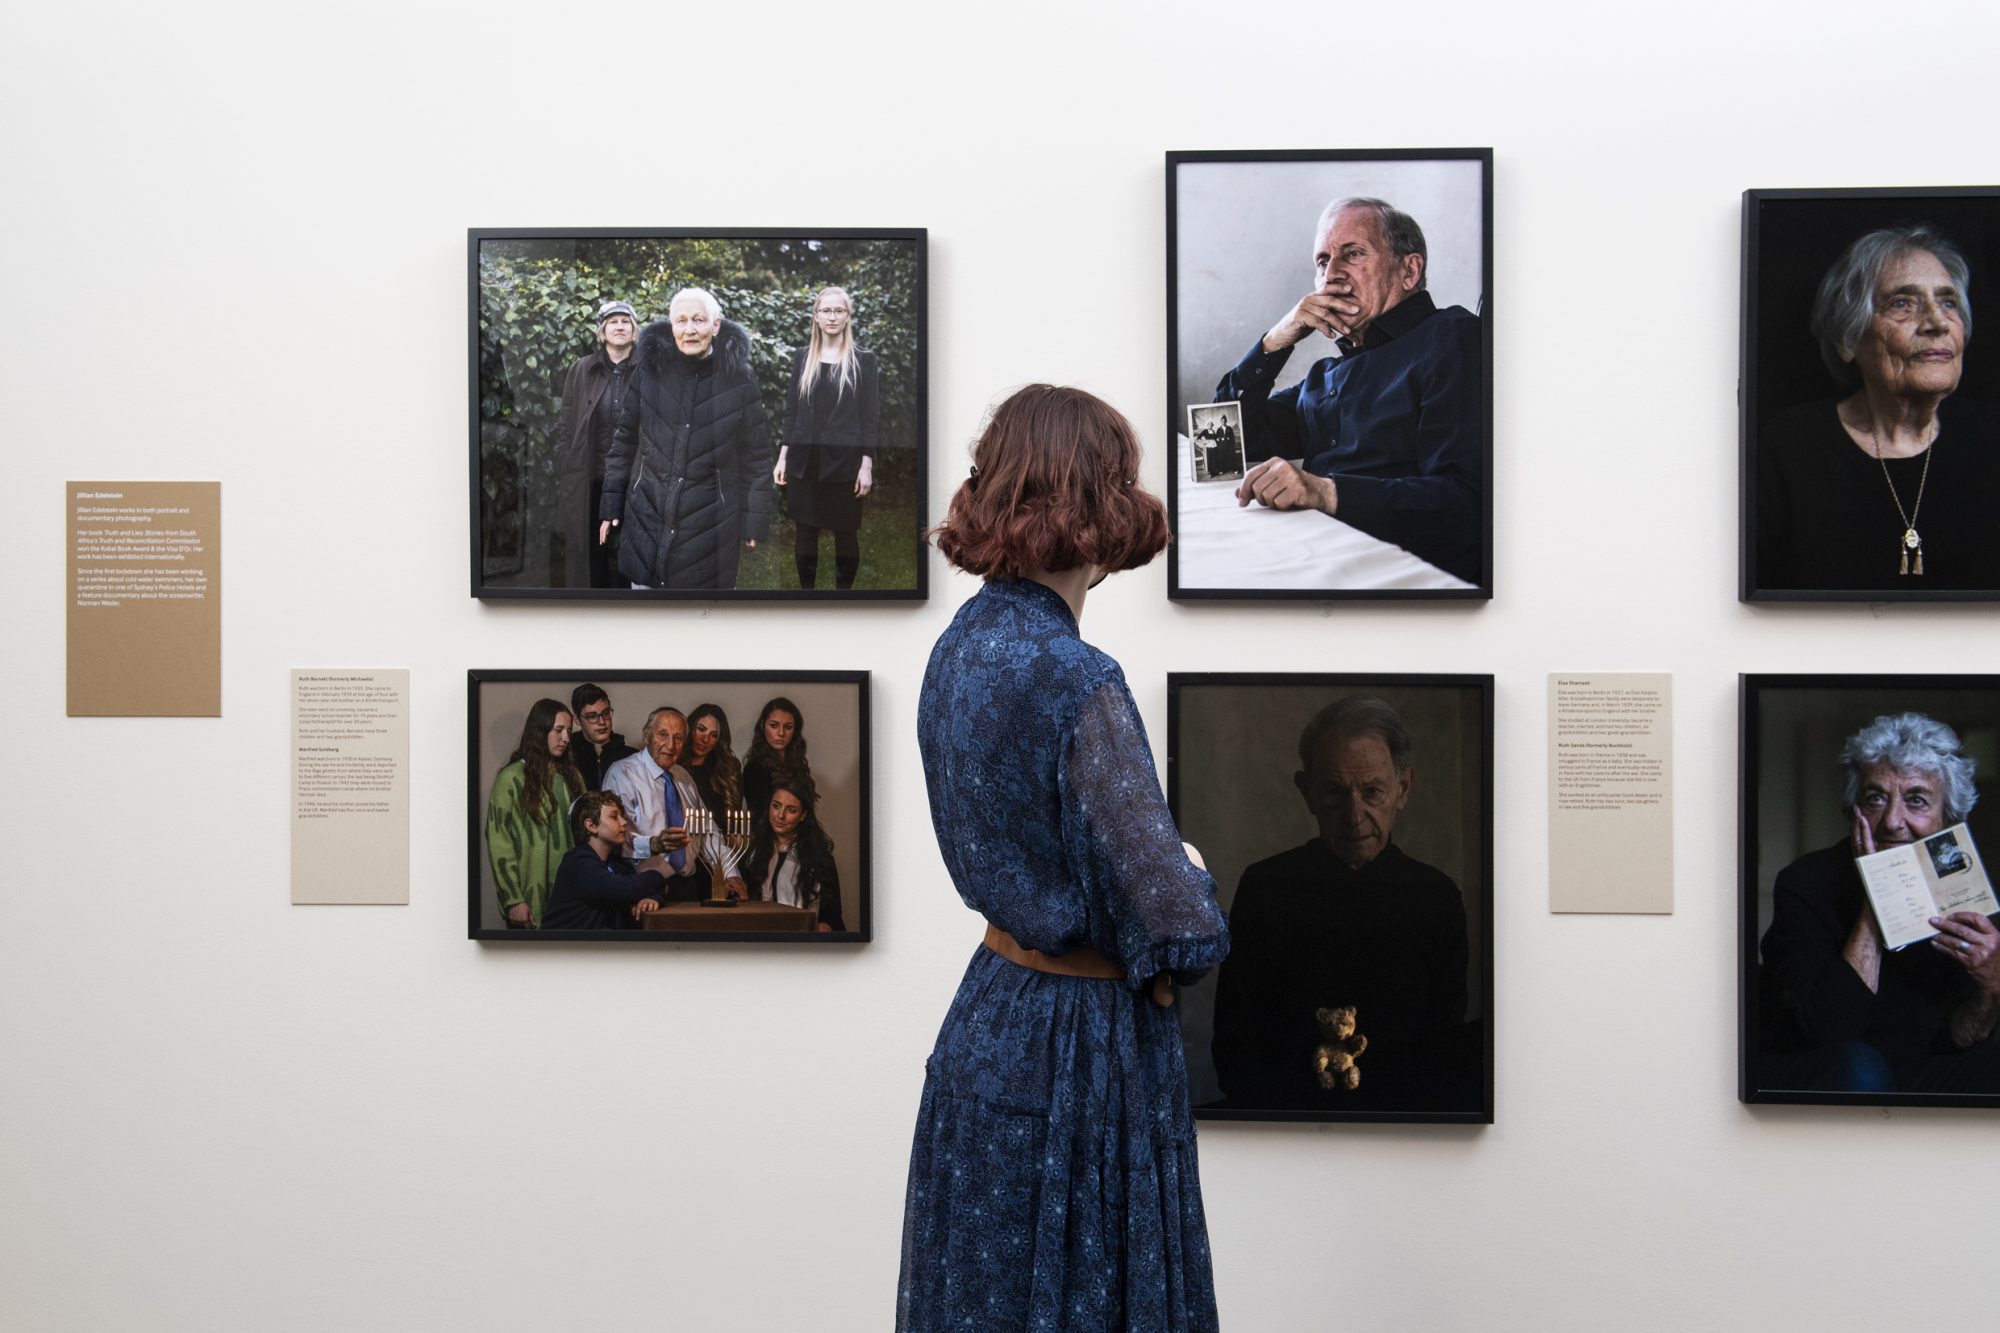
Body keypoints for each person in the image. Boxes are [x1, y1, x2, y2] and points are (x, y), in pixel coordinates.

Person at [898, 385, 1230, 1330]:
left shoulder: (958, 648)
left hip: (989, 1025)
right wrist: (1191, 868)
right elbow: (1180, 929)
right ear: (1091, 503)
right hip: (1080, 1054)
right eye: (1120, 481)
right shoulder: (1077, 677)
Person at [1210, 696, 1477, 1112]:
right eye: (1335, 793)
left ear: (1402, 790)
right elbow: (1235, 1044)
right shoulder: (1266, 887)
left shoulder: (1435, 896)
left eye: (1372, 792)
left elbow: (1445, 1051)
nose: (1354, 815)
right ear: (1308, 792)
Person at [1216, 196, 1482, 584]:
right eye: (1322, 262)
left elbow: (1466, 506)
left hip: (1396, 579)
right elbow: (1218, 450)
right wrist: (1275, 341)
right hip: (1308, 559)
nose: (1331, 275)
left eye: (1353, 254)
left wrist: (1322, 492)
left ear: (1409, 271)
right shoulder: (1324, 375)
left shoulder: (1453, 338)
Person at [1759, 712, 2000, 1092]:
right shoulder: (1805, 883)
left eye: (1916, 800)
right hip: (1838, 1068)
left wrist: (1991, 984)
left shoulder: (1970, 885)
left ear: (1949, 817)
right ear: (1854, 809)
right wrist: (1879, 896)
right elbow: (1830, 1030)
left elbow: (1960, 1035)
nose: (1892, 821)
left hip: (1927, 1071)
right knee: (1861, 1065)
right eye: (1876, 798)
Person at [1756, 224, 2000, 591]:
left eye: (1948, 302)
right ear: (1847, 337)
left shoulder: (1992, 435)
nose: (1937, 323)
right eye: (1902, 303)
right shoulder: (1788, 449)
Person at [599, 288, 774, 590]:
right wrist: (611, 503)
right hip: (647, 518)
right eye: (681, 321)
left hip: (711, 527)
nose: (690, 330)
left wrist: (754, 519)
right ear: (671, 327)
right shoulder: (648, 371)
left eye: (699, 320)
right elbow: (624, 441)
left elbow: (756, 456)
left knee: (704, 627)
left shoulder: (740, 378)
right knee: (649, 625)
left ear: (715, 325)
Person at [775, 286, 880, 589]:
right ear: (816, 317)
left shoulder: (864, 360)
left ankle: (843, 597)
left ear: (847, 317)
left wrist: (866, 464)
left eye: (838, 311)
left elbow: (870, 417)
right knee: (805, 532)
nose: (832, 317)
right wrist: (782, 456)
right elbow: (791, 411)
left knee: (845, 532)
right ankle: (807, 596)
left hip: (844, 463)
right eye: (826, 311)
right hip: (804, 462)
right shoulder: (802, 358)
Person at [603, 706, 743, 901]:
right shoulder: (623, 774)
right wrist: (653, 844)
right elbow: (612, 837)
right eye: (663, 734)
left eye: (678, 738)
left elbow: (707, 831)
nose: (671, 745)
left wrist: (730, 873)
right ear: (646, 735)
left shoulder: (682, 776)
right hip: (643, 889)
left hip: (687, 887)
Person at [553, 299, 640, 587]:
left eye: (625, 321)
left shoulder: (647, 369)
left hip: (632, 476)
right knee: (591, 552)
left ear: (634, 330)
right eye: (612, 322)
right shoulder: (582, 369)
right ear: (602, 331)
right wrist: (566, 459)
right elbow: (567, 420)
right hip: (590, 476)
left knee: (631, 550)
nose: (619, 326)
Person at [485, 697, 585, 929]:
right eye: (558, 730)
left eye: (569, 731)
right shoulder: (510, 779)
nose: (566, 738)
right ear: (540, 731)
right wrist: (513, 900)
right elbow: (499, 843)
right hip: (529, 902)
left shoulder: (573, 778)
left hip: (571, 899)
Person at [541, 791, 671, 931]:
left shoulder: (616, 863)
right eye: (614, 817)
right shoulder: (578, 862)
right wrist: (658, 876)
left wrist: (653, 899)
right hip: (564, 949)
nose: (624, 822)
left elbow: (648, 889)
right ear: (591, 826)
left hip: (598, 948)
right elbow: (623, 890)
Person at [739, 778, 845, 932]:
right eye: (776, 806)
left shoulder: (819, 856)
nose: (780, 816)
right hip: (760, 941)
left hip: (803, 945)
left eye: (791, 810)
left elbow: (831, 914)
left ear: (803, 815)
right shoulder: (753, 853)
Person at [741, 696, 814, 821]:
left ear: (795, 730)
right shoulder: (756, 769)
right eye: (774, 725)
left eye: (788, 727)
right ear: (763, 726)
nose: (781, 733)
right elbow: (759, 818)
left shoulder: (797, 765)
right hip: (770, 837)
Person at [568, 683, 636, 792]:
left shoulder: (632, 757)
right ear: (576, 720)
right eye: (592, 716)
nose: (602, 722)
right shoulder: (568, 757)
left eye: (606, 713)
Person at [681, 702, 743, 821]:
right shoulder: (675, 766)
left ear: (719, 740)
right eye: (701, 729)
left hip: (721, 838)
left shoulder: (729, 770)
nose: (705, 739)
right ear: (690, 728)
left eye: (713, 735)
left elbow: (736, 823)